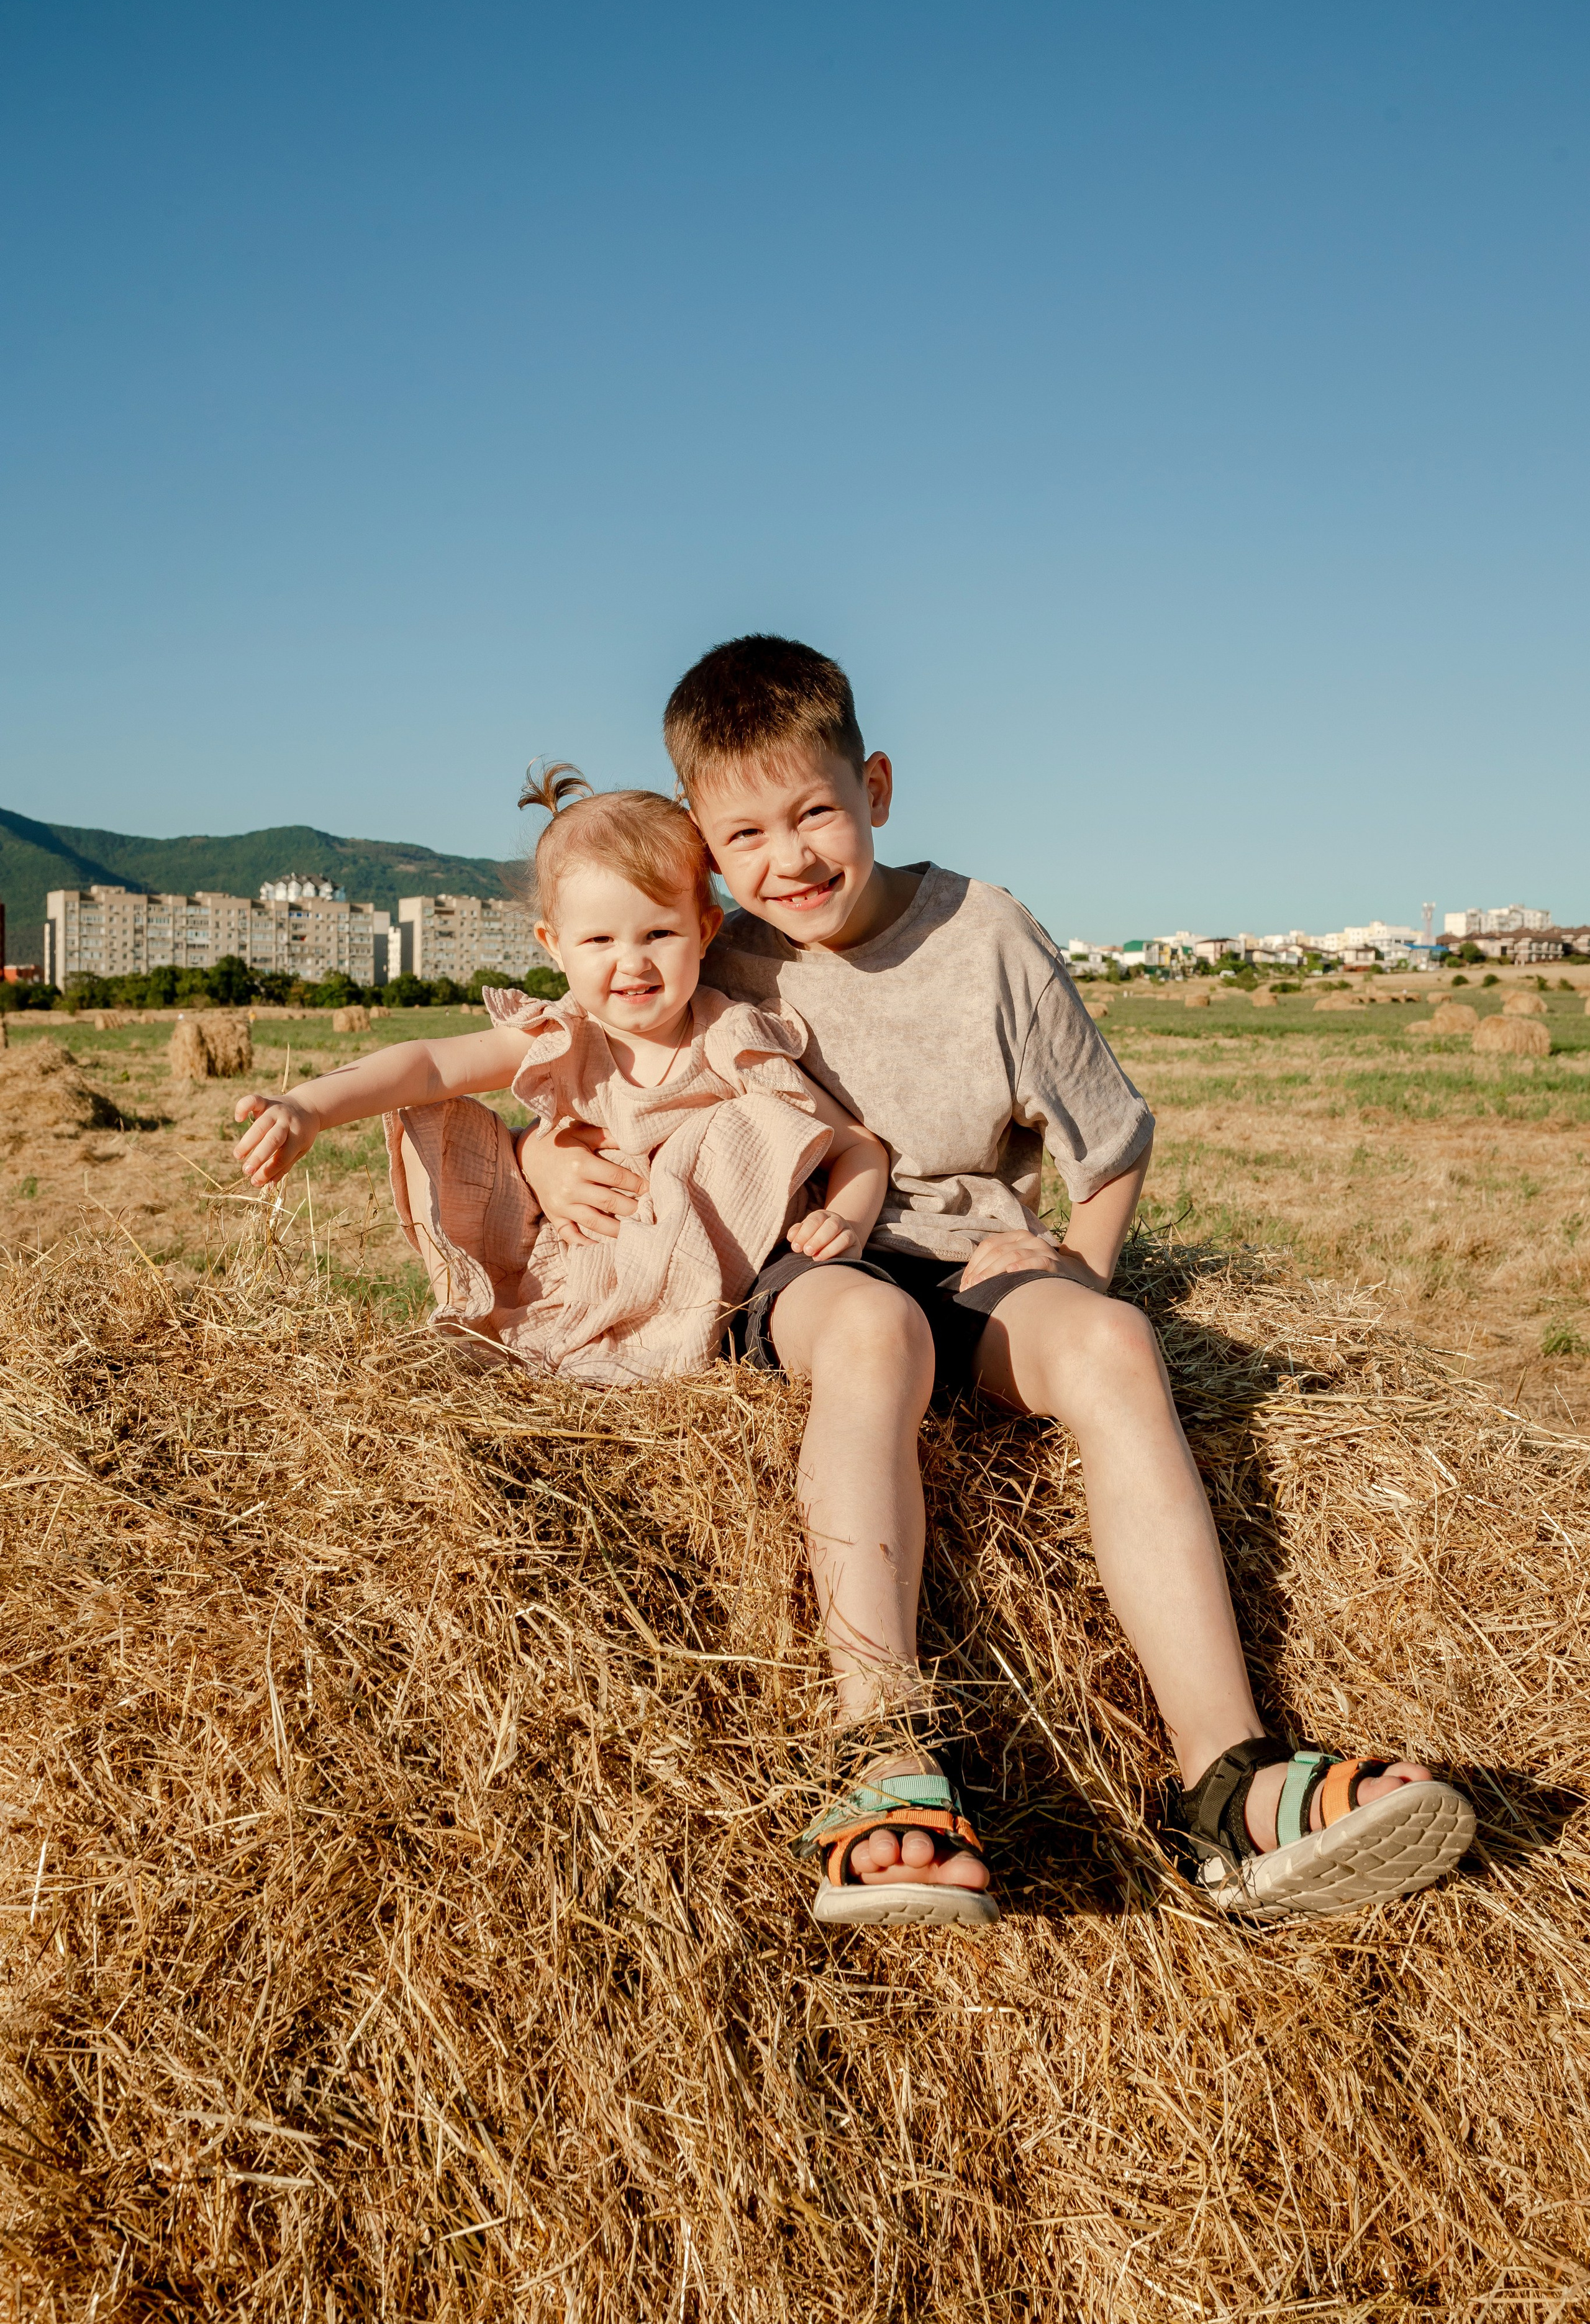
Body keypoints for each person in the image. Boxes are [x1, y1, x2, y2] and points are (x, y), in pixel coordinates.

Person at [515, 635, 1476, 1930]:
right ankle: (882, 1754)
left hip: (973, 1263)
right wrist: (536, 1150)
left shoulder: (986, 934)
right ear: (701, 844)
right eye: (743, 835)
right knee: (868, 1335)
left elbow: (1112, 1139)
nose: (787, 859)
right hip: (809, 1268)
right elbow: (573, 1047)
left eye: (814, 813)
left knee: (1115, 1347)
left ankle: (1227, 1784)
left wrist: (1077, 1263)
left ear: (879, 789)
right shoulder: (709, 950)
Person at [232, 768, 889, 1389]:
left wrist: (847, 1221)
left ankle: (650, 1347)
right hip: (575, 1263)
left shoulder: (728, 1041)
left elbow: (857, 1145)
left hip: (685, 1282)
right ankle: (479, 1324)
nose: (631, 962)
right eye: (599, 941)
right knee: (429, 1113)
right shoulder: (565, 1035)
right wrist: (309, 1107)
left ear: (705, 931)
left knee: (752, 1121)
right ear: (553, 944)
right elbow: (427, 1064)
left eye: (659, 932)